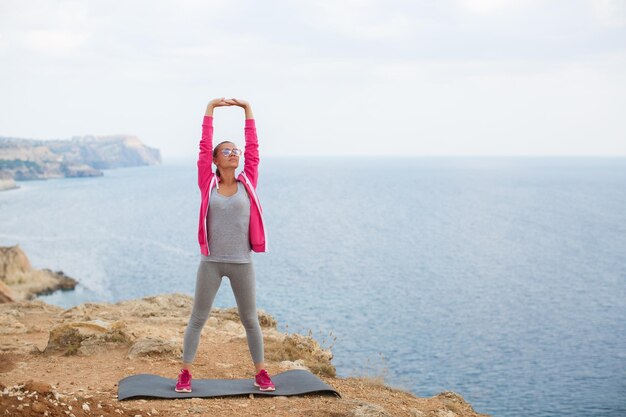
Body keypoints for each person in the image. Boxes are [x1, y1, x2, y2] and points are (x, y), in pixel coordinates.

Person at [175, 97, 274, 393]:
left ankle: (261, 373)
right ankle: (185, 373)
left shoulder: (249, 182)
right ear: (216, 160)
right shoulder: (207, 182)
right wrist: (210, 108)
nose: (234, 154)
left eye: (236, 151)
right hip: (212, 263)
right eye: (226, 151)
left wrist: (247, 110)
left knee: (250, 320)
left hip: (242, 262)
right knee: (197, 319)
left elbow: (254, 149)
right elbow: (203, 147)